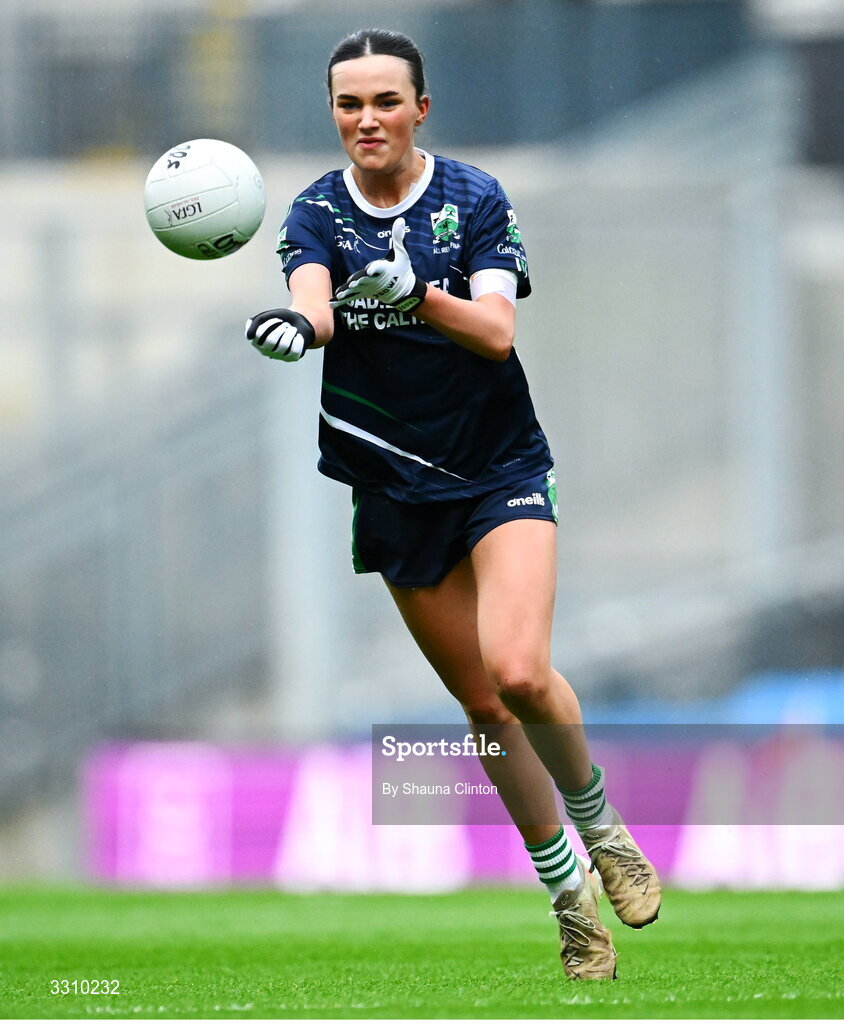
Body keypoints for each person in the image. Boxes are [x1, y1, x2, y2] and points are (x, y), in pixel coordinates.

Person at [245, 27, 660, 980]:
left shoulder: (473, 197)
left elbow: (497, 330)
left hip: (498, 466)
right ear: (334, 114)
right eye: (349, 104)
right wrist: (290, 326)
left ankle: (604, 828)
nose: (367, 120)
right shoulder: (314, 214)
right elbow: (312, 302)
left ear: (420, 109)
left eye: (385, 101)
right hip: (392, 483)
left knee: (519, 671)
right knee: (481, 703)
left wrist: (419, 295)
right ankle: (568, 895)